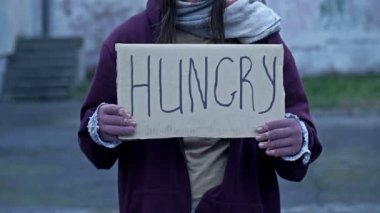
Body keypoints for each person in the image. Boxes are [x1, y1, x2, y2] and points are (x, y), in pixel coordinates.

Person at [78, 0, 322, 212]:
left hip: (240, 205)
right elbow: (96, 150)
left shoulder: (260, 37)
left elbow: (300, 140)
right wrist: (101, 128)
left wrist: (295, 139)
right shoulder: (129, 40)